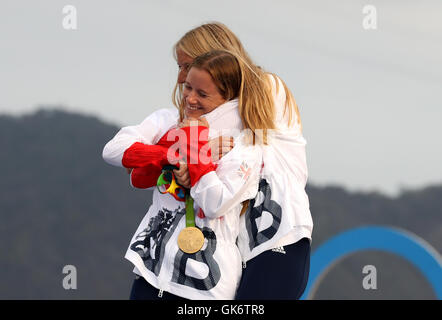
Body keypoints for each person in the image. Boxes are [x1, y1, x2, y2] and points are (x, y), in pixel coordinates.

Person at [102, 49, 275, 299]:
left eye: (202, 94)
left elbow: (214, 203)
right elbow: (118, 157)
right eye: (188, 88)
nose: (190, 99)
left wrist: (196, 150)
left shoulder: (243, 147)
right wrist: (174, 154)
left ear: (228, 99)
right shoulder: (175, 126)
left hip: (202, 285)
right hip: (152, 270)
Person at [171, 22, 313, 300]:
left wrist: (196, 148)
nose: (180, 79)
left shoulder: (266, 88)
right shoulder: (207, 119)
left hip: (279, 236)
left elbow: (246, 132)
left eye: (187, 66)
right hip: (237, 249)